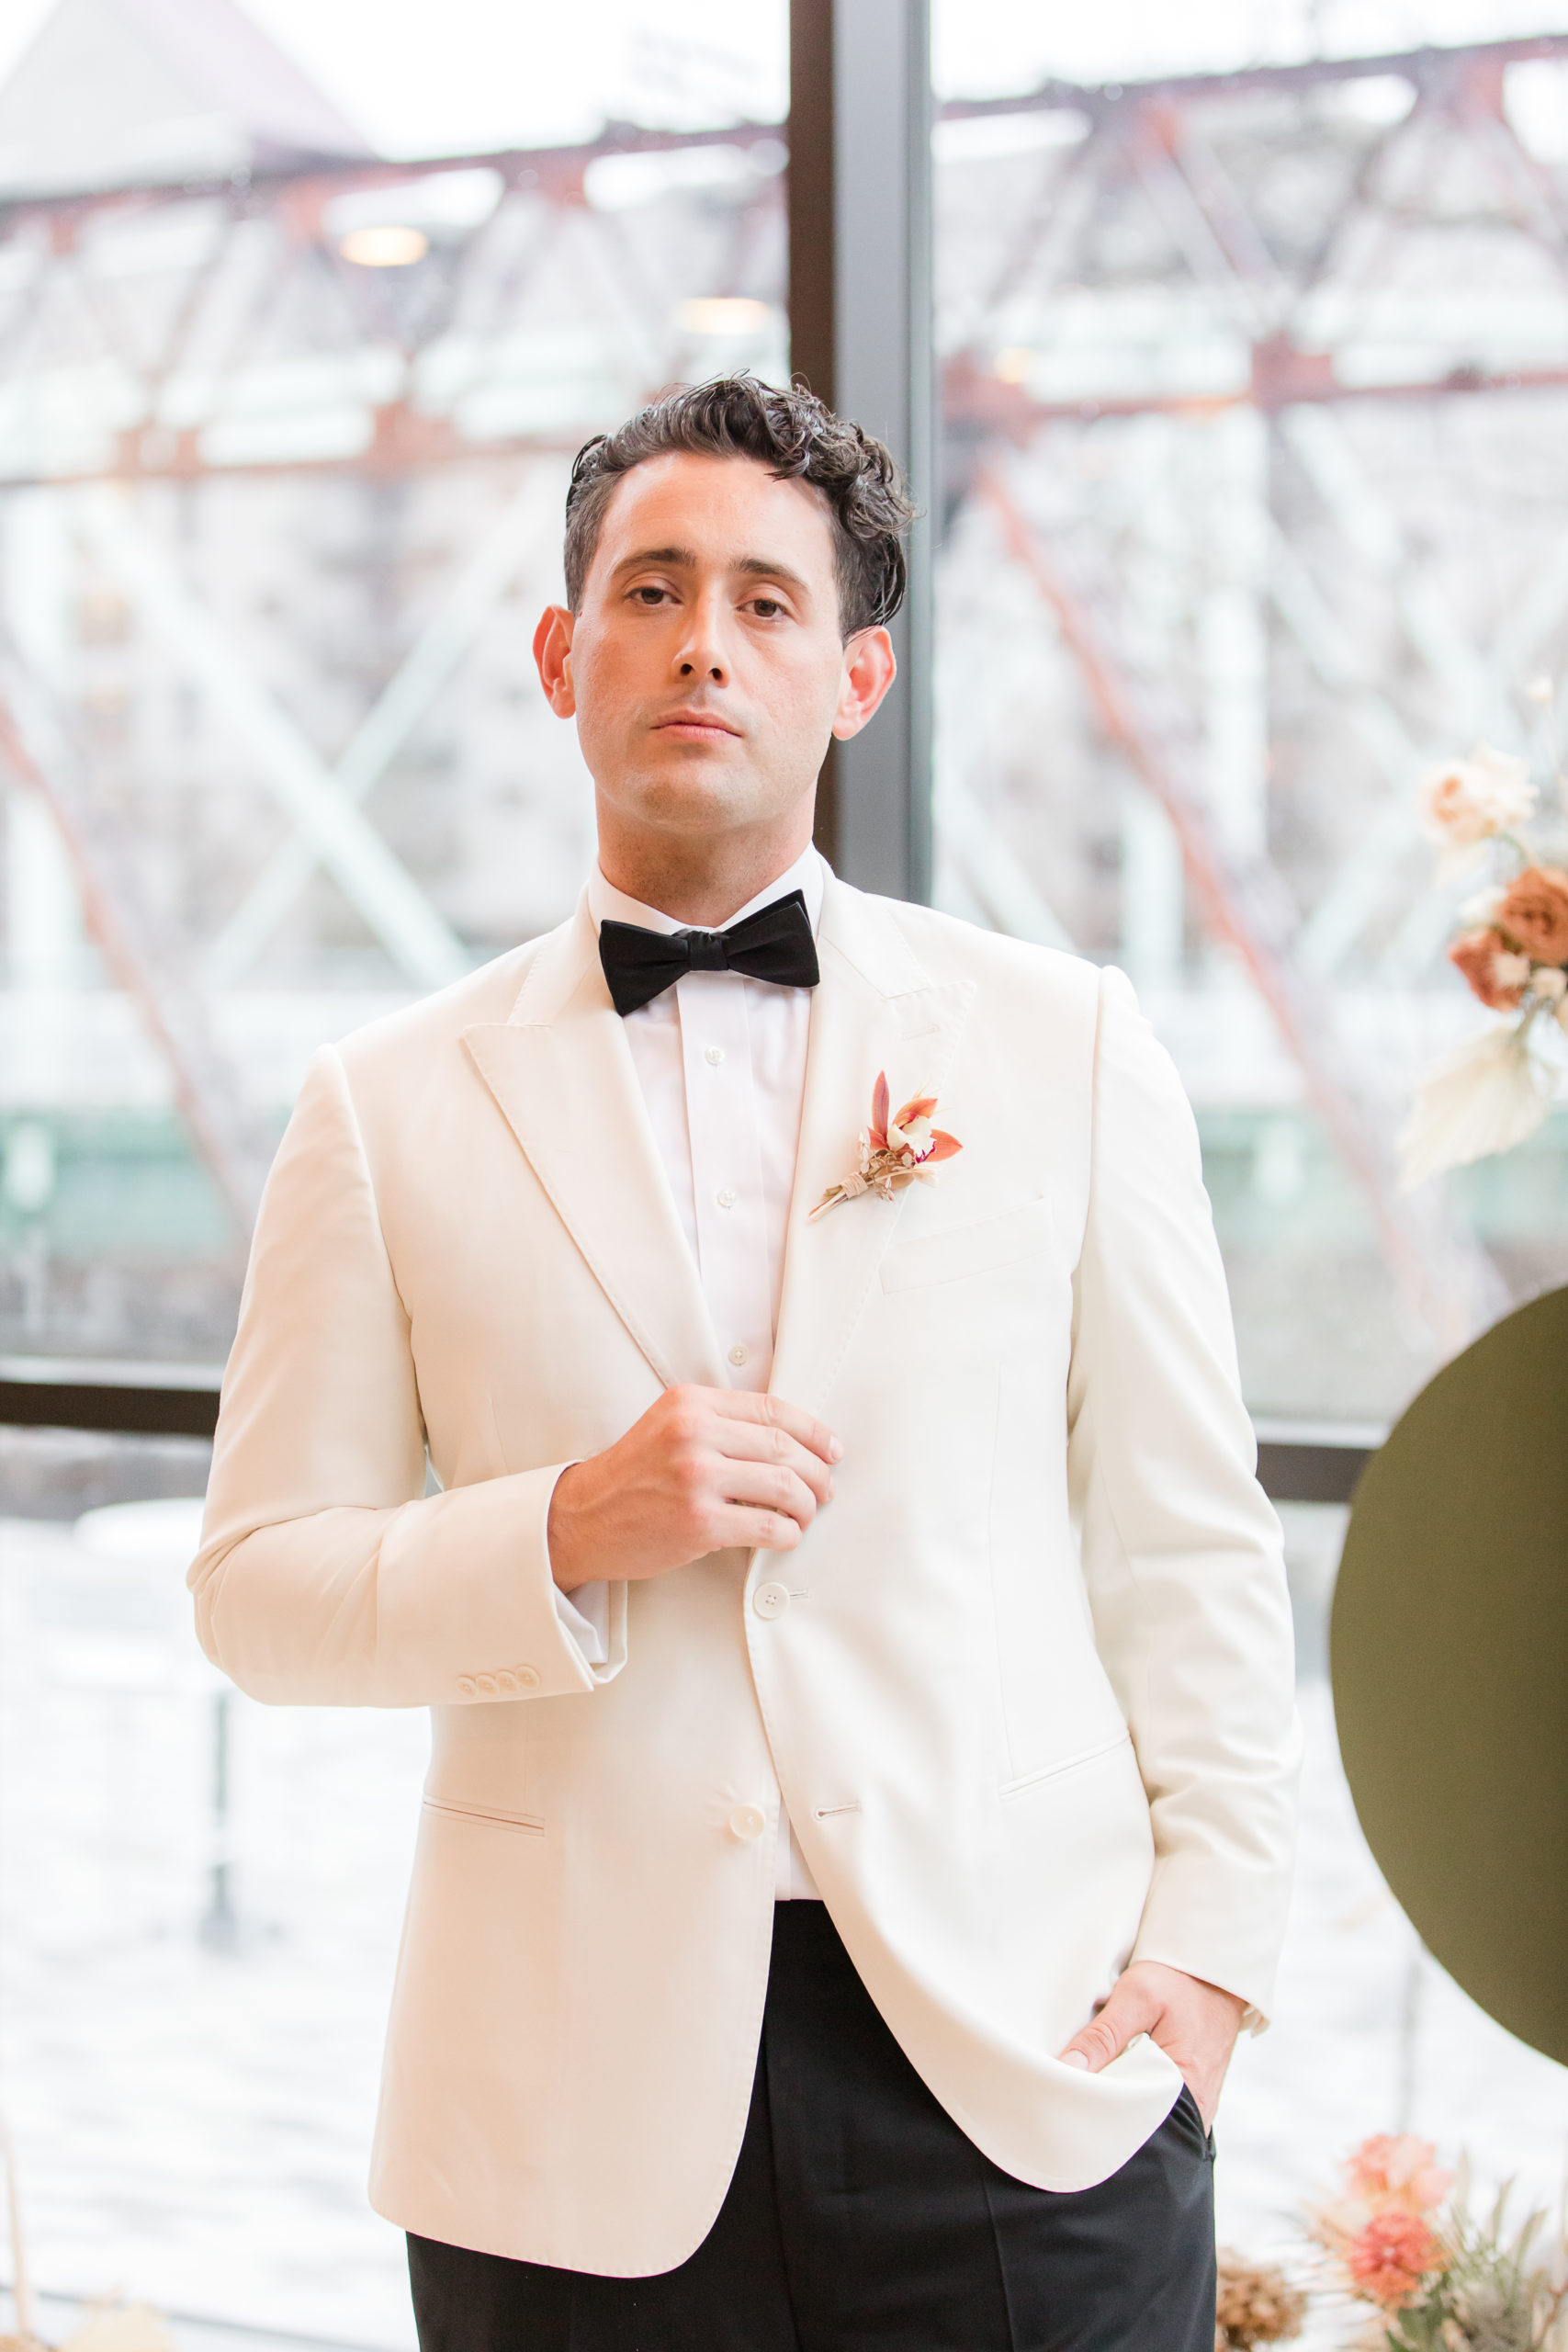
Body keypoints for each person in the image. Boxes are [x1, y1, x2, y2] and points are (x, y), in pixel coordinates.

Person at [189, 375, 1300, 2352]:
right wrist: (566, 1523)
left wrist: (1206, 1962)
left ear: (857, 673)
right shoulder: (378, 1105)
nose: (704, 638)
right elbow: (259, 1589)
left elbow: (1184, 1548)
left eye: (769, 602)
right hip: (564, 2109)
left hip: (1024, 2072)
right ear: (560, 652)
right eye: (651, 588)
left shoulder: (1061, 1041)